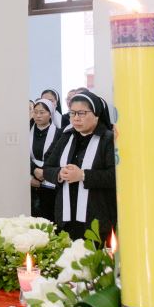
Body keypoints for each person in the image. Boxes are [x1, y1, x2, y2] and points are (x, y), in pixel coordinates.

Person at [44, 90, 117, 243]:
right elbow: (48, 168)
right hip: (66, 217)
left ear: (96, 114)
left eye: (82, 113)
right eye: (72, 113)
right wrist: (60, 173)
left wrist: (82, 175)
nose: (76, 118)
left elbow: (114, 176)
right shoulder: (66, 136)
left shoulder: (108, 139)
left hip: (96, 217)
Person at [29, 98, 59, 220]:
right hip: (30, 178)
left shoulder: (59, 134)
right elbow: (21, 156)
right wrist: (33, 171)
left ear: (50, 114)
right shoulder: (26, 130)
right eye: (35, 112)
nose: (38, 115)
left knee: (48, 217)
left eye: (42, 112)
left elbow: (56, 157)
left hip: (50, 181)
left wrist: (43, 173)